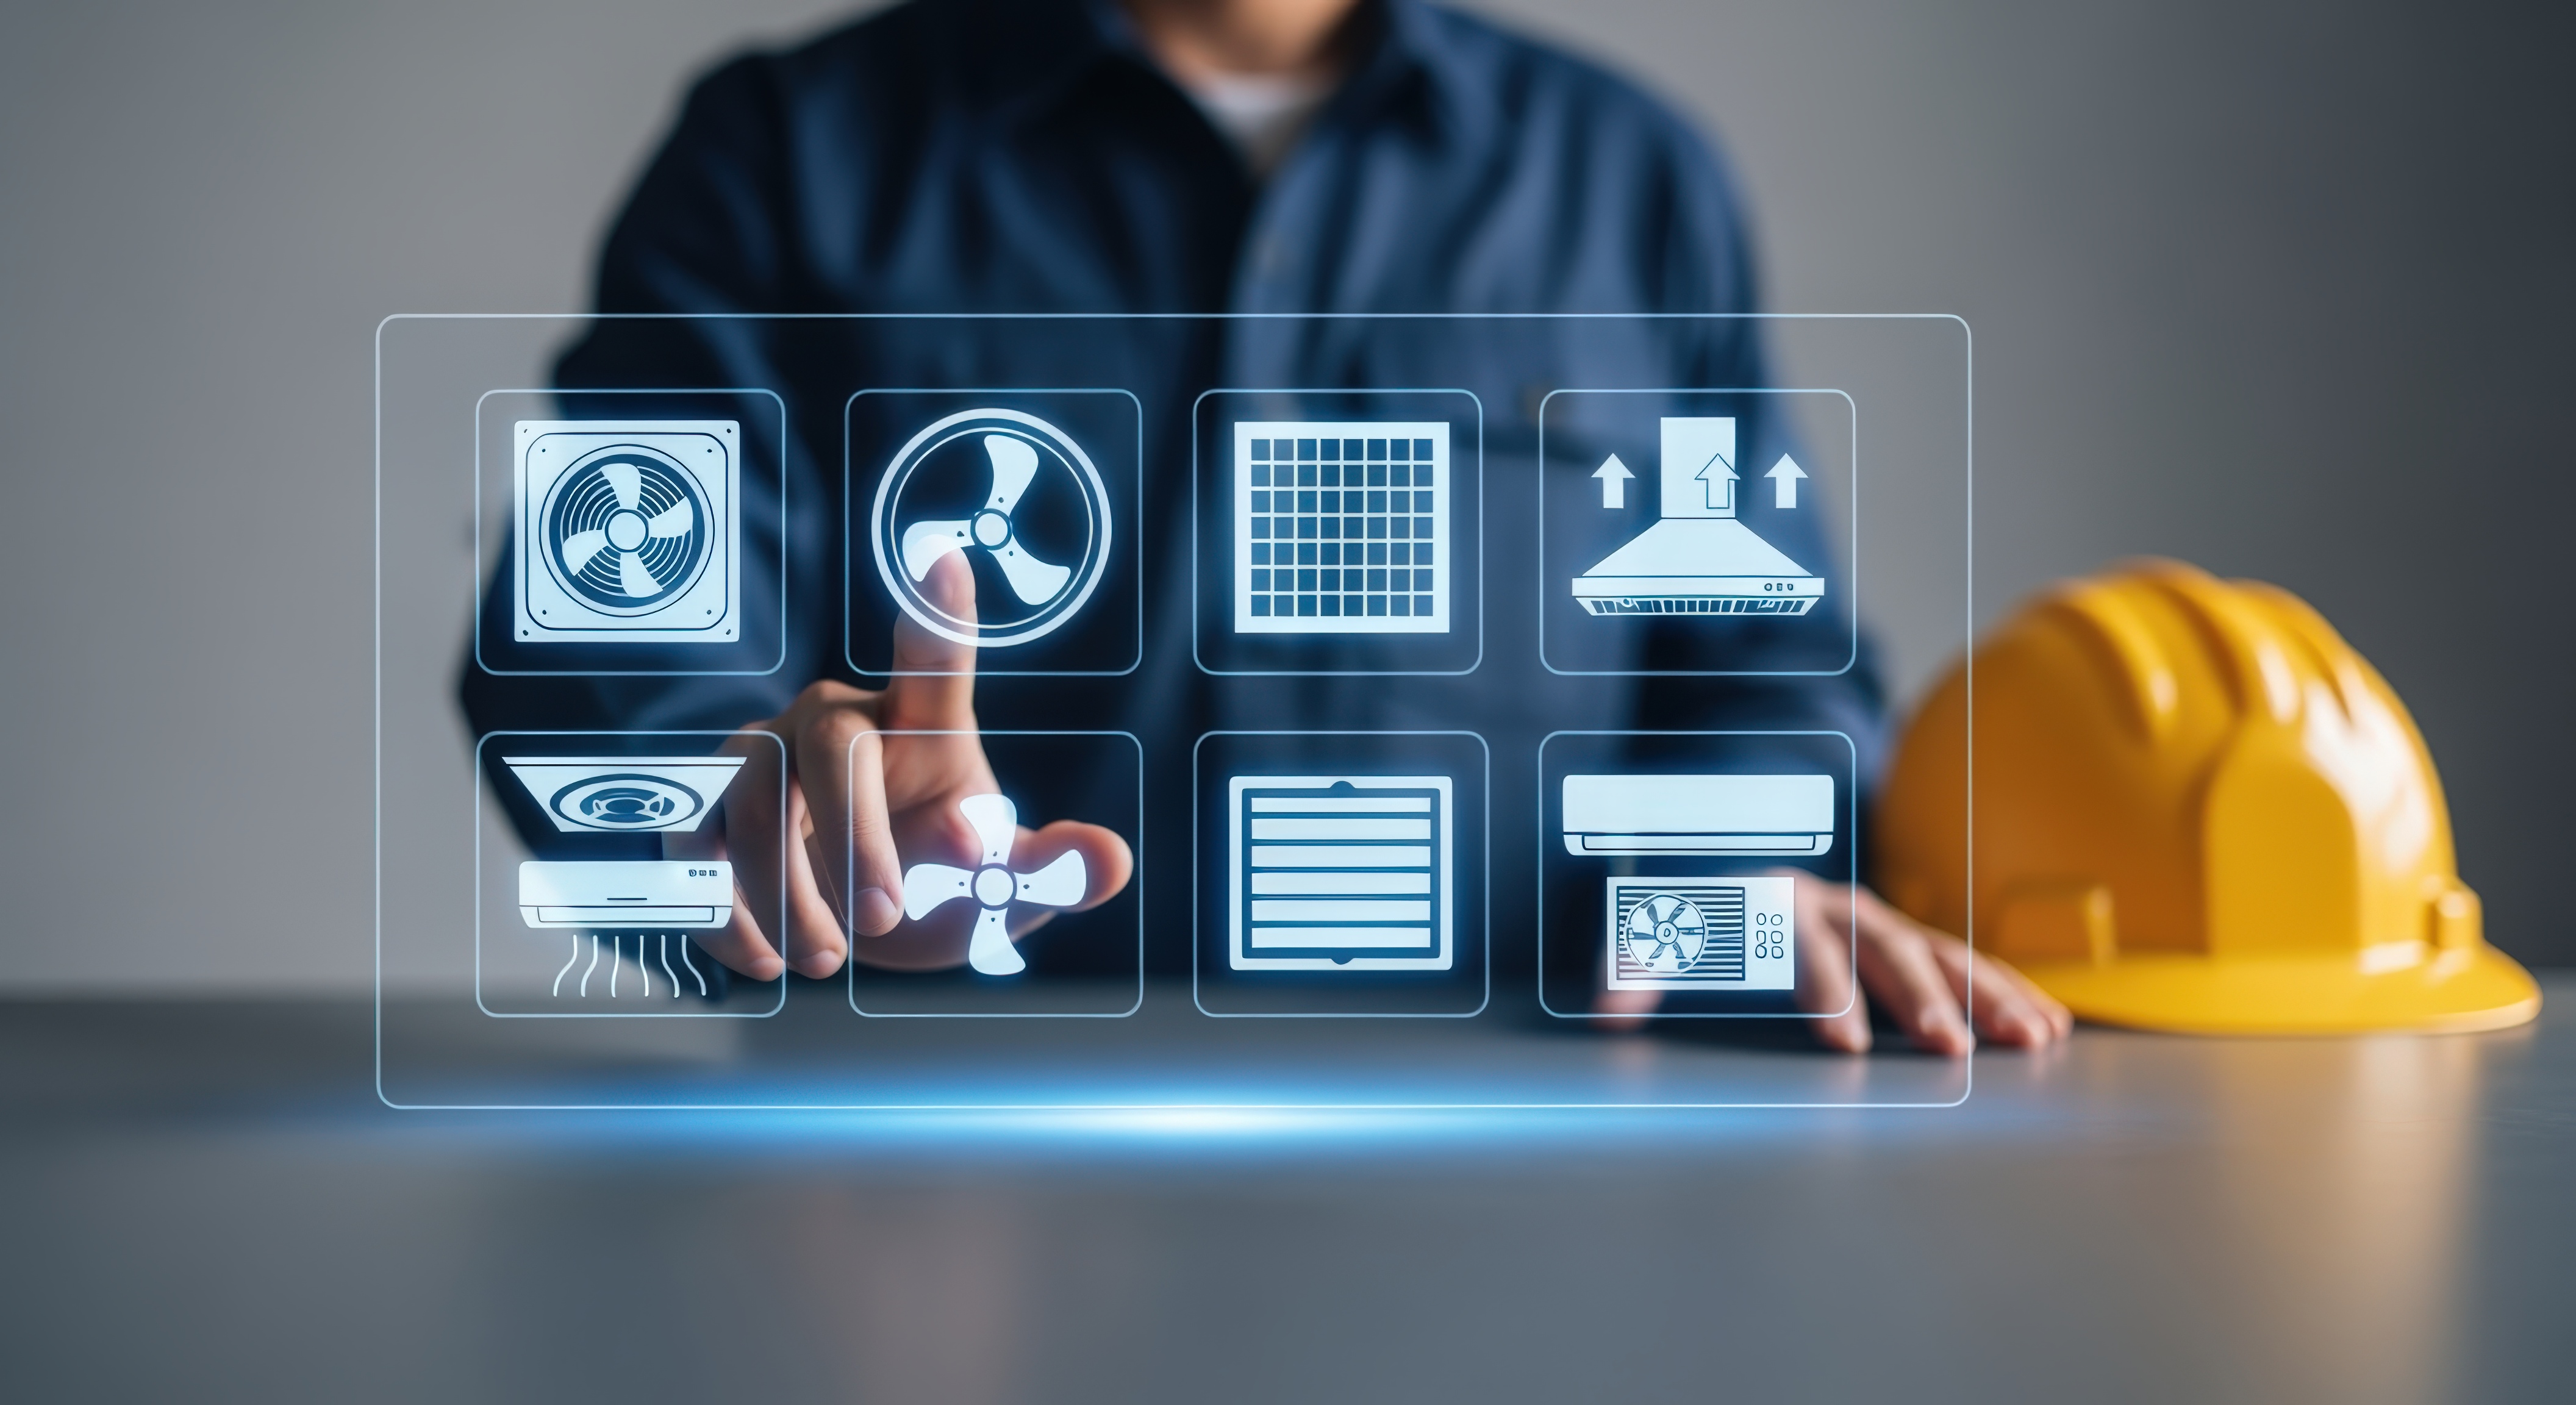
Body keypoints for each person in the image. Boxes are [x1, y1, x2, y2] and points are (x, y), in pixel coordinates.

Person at [463, 0, 2070, 1054]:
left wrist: (1724, 884)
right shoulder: (782, 157)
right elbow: (611, 634)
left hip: (1541, 1197)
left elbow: (1765, 665)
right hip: (912, 1191)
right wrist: (740, 831)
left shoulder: (1630, 180)